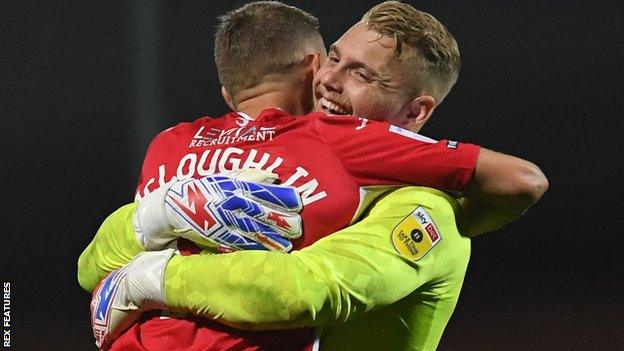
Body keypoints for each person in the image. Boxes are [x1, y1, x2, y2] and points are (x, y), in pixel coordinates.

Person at [78, 1, 547, 350]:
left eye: (361, 75)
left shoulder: (422, 210)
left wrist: (153, 278)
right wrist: (158, 214)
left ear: (416, 110)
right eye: (335, 58)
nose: (328, 80)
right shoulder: (304, 154)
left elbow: (301, 291)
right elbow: (89, 266)